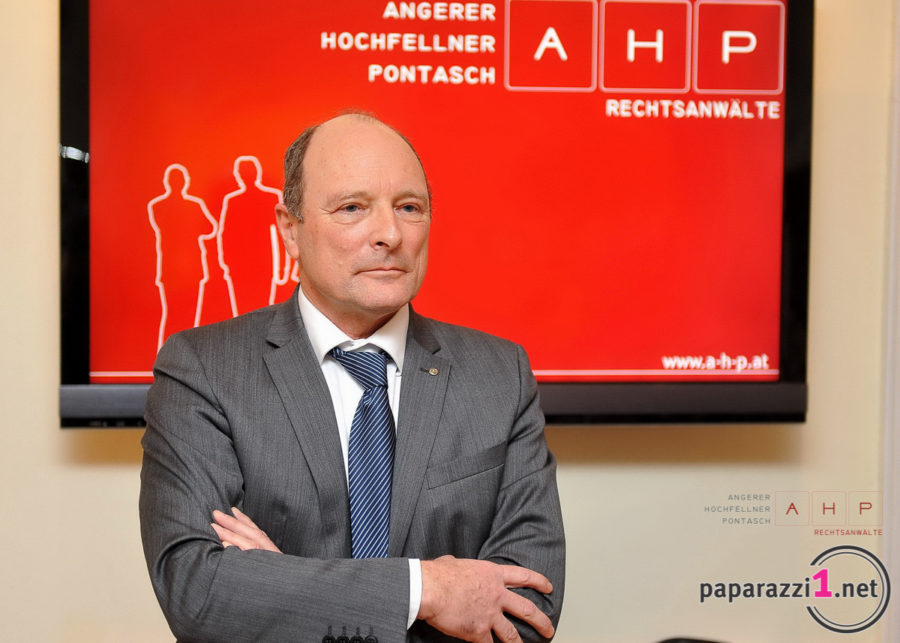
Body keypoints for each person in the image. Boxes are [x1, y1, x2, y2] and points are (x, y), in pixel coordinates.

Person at [139, 112, 565, 643]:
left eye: (409, 207)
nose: (390, 234)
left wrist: (284, 585)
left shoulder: (501, 374)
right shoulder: (204, 369)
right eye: (352, 208)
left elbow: (528, 610)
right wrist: (427, 590)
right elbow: (199, 593)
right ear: (290, 230)